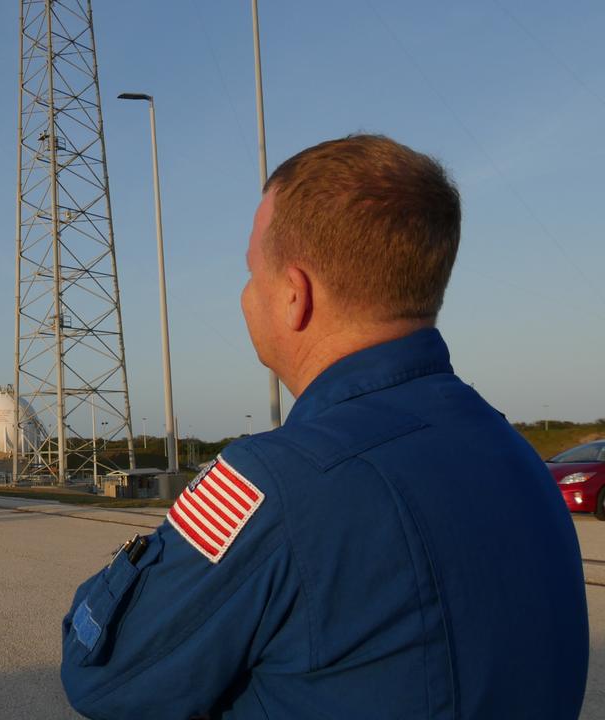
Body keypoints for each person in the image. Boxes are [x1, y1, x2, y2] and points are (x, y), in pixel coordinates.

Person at [60, 135, 588, 719]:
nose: (245, 295)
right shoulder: (513, 453)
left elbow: (101, 672)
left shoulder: (277, 482)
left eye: (251, 272)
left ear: (295, 295)